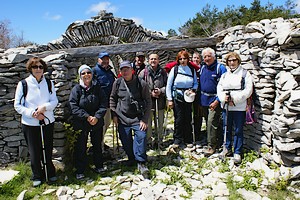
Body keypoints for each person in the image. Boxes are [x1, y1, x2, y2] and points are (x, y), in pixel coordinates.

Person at [14, 57, 58, 187]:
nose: (38, 69)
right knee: (34, 151)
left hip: (47, 120)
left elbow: (54, 101)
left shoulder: (49, 83)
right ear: (30, 69)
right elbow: (18, 105)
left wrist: (44, 108)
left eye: (40, 67)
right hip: (30, 123)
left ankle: (50, 173)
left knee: (48, 148)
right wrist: (33, 113)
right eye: (35, 67)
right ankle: (37, 175)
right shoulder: (23, 84)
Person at [110, 60, 152, 178]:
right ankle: (131, 158)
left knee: (141, 136)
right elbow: (112, 98)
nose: (125, 71)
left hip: (138, 117)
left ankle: (141, 161)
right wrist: (114, 114)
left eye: (127, 69)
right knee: (126, 139)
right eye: (123, 70)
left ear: (132, 70)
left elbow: (148, 102)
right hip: (122, 117)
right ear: (120, 72)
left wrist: (144, 119)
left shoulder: (141, 83)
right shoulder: (117, 83)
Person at [69, 64, 107, 180]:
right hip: (81, 122)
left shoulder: (97, 88)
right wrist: (87, 117)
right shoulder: (76, 89)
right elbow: (73, 106)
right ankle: (80, 169)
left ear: (92, 74)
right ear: (80, 76)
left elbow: (103, 104)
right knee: (80, 146)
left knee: (97, 144)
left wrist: (97, 117)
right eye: (83, 73)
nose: (86, 75)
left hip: (96, 122)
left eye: (88, 72)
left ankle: (99, 166)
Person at [217, 52, 253, 164]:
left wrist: (234, 99)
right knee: (226, 127)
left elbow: (248, 90)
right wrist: (224, 98)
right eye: (229, 61)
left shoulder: (244, 74)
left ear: (238, 61)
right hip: (226, 105)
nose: (232, 63)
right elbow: (219, 88)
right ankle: (227, 148)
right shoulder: (225, 75)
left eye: (234, 60)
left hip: (239, 106)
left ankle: (237, 151)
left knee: (238, 129)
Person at [166, 50, 198, 149]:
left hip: (188, 97)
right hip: (177, 96)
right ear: (178, 60)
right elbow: (169, 85)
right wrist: (170, 99)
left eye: (184, 58)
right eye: (180, 59)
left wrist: (193, 90)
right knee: (179, 118)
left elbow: (195, 83)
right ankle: (177, 139)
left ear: (188, 59)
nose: (183, 60)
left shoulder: (192, 70)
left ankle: (188, 139)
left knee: (188, 118)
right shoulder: (175, 70)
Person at [199, 47, 227, 156]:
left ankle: (211, 146)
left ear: (214, 57)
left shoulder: (220, 68)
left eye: (208, 56)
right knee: (209, 121)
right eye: (205, 56)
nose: (206, 58)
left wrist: (217, 101)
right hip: (204, 100)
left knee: (211, 122)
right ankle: (216, 141)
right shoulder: (202, 68)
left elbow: (224, 86)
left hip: (215, 99)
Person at [139, 53, 168, 149]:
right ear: (148, 60)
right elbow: (139, 86)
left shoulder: (163, 72)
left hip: (160, 102)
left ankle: (159, 141)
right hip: (147, 103)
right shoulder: (144, 72)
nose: (153, 61)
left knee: (159, 122)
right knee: (148, 122)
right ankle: (148, 142)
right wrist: (149, 93)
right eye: (151, 59)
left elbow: (167, 85)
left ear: (158, 60)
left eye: (155, 59)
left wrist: (161, 91)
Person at [93, 52, 116, 151]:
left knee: (106, 124)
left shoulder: (110, 72)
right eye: (103, 59)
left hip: (109, 103)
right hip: (100, 105)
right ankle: (98, 147)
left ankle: (101, 143)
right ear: (98, 60)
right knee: (100, 126)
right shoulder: (94, 71)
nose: (105, 61)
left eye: (107, 59)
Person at [191, 51, 206, 145]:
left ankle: (197, 133)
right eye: (194, 58)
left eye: (197, 58)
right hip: (190, 94)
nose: (196, 59)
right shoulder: (189, 68)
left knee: (198, 115)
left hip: (200, 95)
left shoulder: (203, 69)